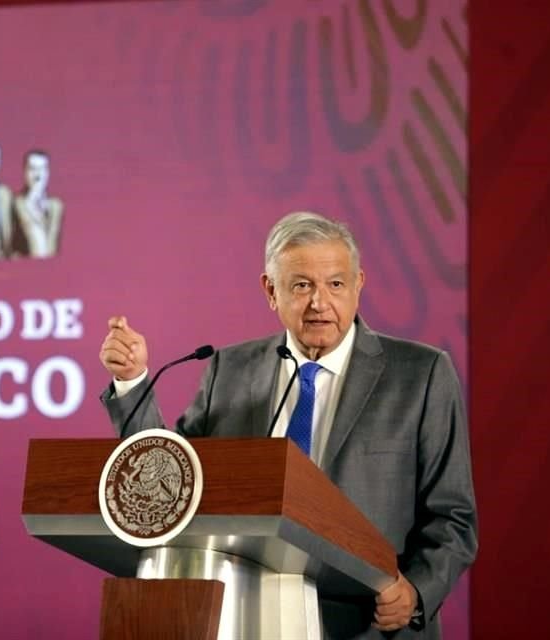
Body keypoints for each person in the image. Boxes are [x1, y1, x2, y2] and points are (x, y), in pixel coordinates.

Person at [98, 211, 477, 639]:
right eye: (301, 285)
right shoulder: (230, 369)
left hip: (369, 627)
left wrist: (416, 592)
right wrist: (132, 381)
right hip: (247, 618)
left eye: (335, 284)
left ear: (358, 286)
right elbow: (174, 486)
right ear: (270, 290)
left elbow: (454, 517)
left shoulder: (421, 374)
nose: (319, 302)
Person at [12, 149, 63, 258]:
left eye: (42, 169)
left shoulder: (56, 206)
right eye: (32, 169)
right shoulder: (16, 204)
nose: (38, 175)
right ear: (25, 172)